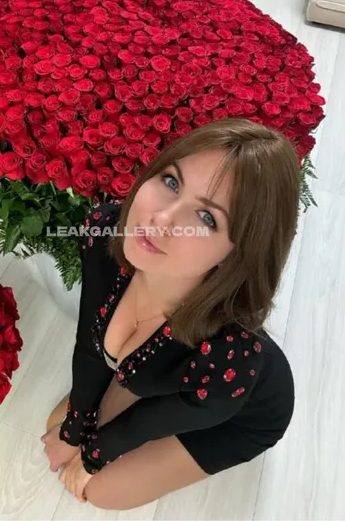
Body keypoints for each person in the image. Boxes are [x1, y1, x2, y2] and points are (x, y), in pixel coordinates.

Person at [41, 118, 298, 510]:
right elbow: (90, 345)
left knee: (102, 491)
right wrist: (74, 429)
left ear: (240, 251)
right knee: (59, 425)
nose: (161, 219)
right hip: (177, 371)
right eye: (171, 181)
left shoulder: (227, 357)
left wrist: (93, 456)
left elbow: (142, 426)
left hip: (237, 412)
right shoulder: (106, 233)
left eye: (207, 217)